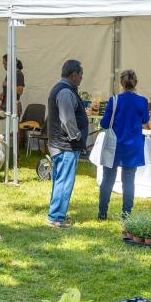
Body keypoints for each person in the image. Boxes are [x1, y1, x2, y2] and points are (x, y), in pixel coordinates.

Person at [98, 69, 149, 219]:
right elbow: (145, 120)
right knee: (129, 182)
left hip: (114, 146)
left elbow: (104, 123)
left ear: (121, 83)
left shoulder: (114, 100)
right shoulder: (143, 101)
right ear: (136, 83)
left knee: (108, 180)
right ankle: (126, 214)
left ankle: (102, 213)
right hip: (133, 146)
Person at [46, 60, 88, 228]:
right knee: (65, 181)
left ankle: (57, 213)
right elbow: (67, 119)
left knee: (60, 180)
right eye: (81, 75)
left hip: (62, 144)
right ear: (74, 75)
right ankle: (56, 217)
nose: (81, 79)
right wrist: (77, 136)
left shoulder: (63, 89)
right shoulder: (64, 91)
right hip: (65, 145)